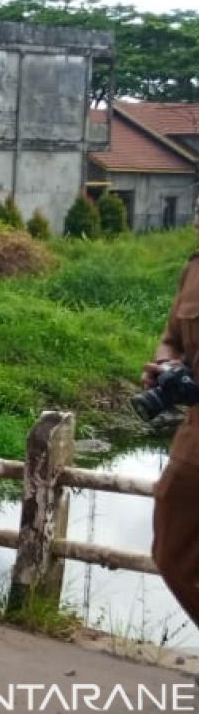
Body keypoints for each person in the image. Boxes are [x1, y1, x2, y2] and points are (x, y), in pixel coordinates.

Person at [147, 214, 199, 628]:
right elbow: (172, 336)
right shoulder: (194, 268)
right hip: (195, 436)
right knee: (171, 551)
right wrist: (167, 365)